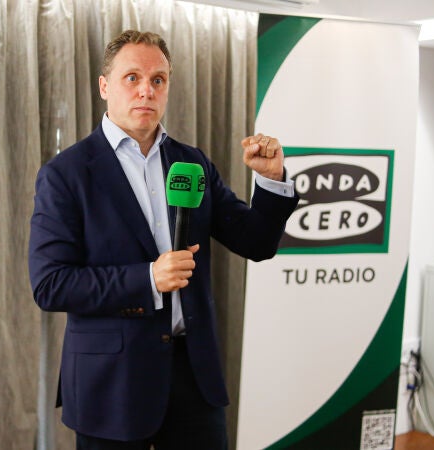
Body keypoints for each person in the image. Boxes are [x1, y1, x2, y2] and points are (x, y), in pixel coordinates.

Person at [28, 30, 299, 450]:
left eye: (158, 80)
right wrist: (149, 278)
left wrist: (271, 179)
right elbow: (51, 284)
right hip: (111, 386)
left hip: (193, 377)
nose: (146, 90)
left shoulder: (192, 163)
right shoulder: (66, 174)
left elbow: (256, 243)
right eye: (132, 78)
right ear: (104, 86)